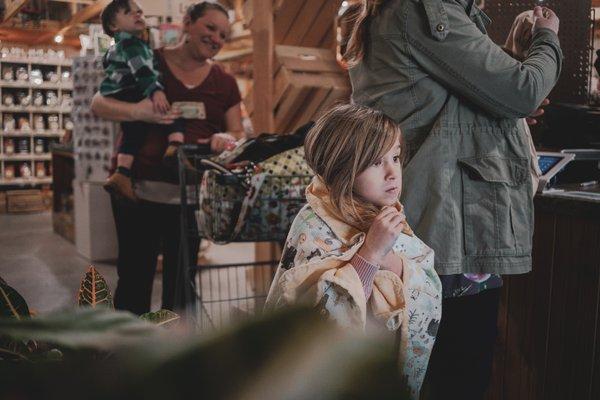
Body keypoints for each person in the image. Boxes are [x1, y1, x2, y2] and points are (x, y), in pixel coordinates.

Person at [345, 1, 562, 398]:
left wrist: (502, 105)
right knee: (454, 376)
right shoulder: (422, 9)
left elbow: (450, 103)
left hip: (434, 219)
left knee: (437, 373)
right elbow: (523, 91)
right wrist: (548, 38)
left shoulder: (404, 11)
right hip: (444, 225)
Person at [265, 104, 442, 398]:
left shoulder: (386, 215)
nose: (392, 173)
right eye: (375, 162)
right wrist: (370, 254)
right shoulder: (314, 224)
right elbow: (315, 318)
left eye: (395, 157)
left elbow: (425, 279)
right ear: (341, 168)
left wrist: (388, 258)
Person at [91, 1, 244, 315]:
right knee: (134, 279)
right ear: (187, 22)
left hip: (190, 199)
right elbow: (99, 103)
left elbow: (238, 133)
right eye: (210, 28)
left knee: (181, 285)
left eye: (223, 35)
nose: (216, 38)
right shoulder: (149, 60)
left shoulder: (225, 83)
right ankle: (130, 355)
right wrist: (138, 111)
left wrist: (227, 140)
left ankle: (172, 354)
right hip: (135, 191)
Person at [100, 0, 185, 202]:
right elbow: (142, 71)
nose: (138, 15)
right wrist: (155, 90)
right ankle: (175, 148)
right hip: (136, 90)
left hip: (122, 93)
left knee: (133, 133)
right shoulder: (131, 44)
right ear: (114, 26)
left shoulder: (119, 46)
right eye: (129, 13)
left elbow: (107, 66)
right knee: (171, 113)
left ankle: (122, 172)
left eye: (139, 11)